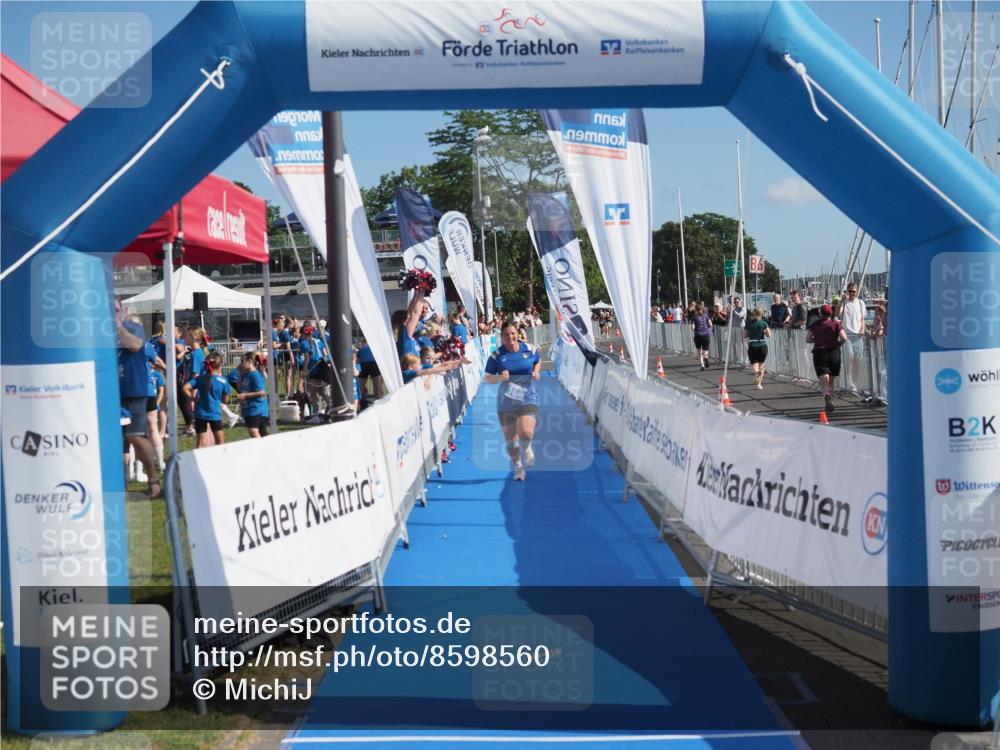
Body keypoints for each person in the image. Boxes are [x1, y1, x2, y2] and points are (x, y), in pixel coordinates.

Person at [484, 324, 542, 482]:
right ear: (502, 338)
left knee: (526, 432)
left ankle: (528, 447)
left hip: (528, 396)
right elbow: (488, 377)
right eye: (506, 335)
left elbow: (538, 360)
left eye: (513, 333)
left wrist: (536, 371)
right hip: (506, 400)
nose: (510, 337)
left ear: (518, 333)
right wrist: (500, 378)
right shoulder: (497, 355)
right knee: (511, 439)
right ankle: (518, 466)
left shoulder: (529, 348)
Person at [116, 303, 160, 497]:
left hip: (134, 391)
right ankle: (121, 485)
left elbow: (135, 346)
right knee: (117, 442)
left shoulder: (133, 327)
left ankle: (153, 480)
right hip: (112, 393)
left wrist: (117, 326)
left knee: (136, 438)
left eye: (115, 308)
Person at [183, 352, 232, 448]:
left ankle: (197, 461)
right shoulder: (223, 381)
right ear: (220, 366)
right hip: (215, 414)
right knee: (220, 443)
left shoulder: (200, 379)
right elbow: (225, 399)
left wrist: (193, 398)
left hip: (200, 414)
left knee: (200, 443)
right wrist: (222, 399)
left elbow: (185, 388)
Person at [806, 303, 848, 414]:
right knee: (831, 379)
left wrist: (817, 340)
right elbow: (844, 338)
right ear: (831, 313)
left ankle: (827, 396)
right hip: (834, 353)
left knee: (824, 378)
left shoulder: (814, 325)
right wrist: (837, 344)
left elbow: (808, 339)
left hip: (820, 353)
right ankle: (830, 397)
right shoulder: (836, 324)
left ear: (820, 313)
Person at [236, 352, 270, 438]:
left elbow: (262, 392)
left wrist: (245, 396)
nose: (240, 364)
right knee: (262, 433)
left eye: (242, 361)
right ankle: (268, 448)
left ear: (249, 361)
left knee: (253, 431)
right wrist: (240, 375)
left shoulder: (255, 375)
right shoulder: (246, 374)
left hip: (255, 408)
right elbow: (239, 389)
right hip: (248, 408)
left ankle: (262, 449)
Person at [743, 308, 772, 390]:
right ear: (761, 314)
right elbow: (769, 335)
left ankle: (756, 372)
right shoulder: (764, 323)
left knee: (754, 363)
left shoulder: (749, 323)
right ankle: (759, 384)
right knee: (761, 364)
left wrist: (750, 332)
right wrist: (764, 332)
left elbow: (744, 335)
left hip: (752, 344)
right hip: (762, 345)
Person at [690, 301, 713, 370]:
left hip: (698, 335)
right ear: (702, 309)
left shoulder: (694, 317)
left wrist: (693, 328)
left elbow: (693, 328)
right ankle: (705, 357)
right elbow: (711, 324)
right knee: (706, 349)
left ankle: (702, 365)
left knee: (698, 351)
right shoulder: (705, 315)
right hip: (705, 334)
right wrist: (706, 327)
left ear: (696, 310)